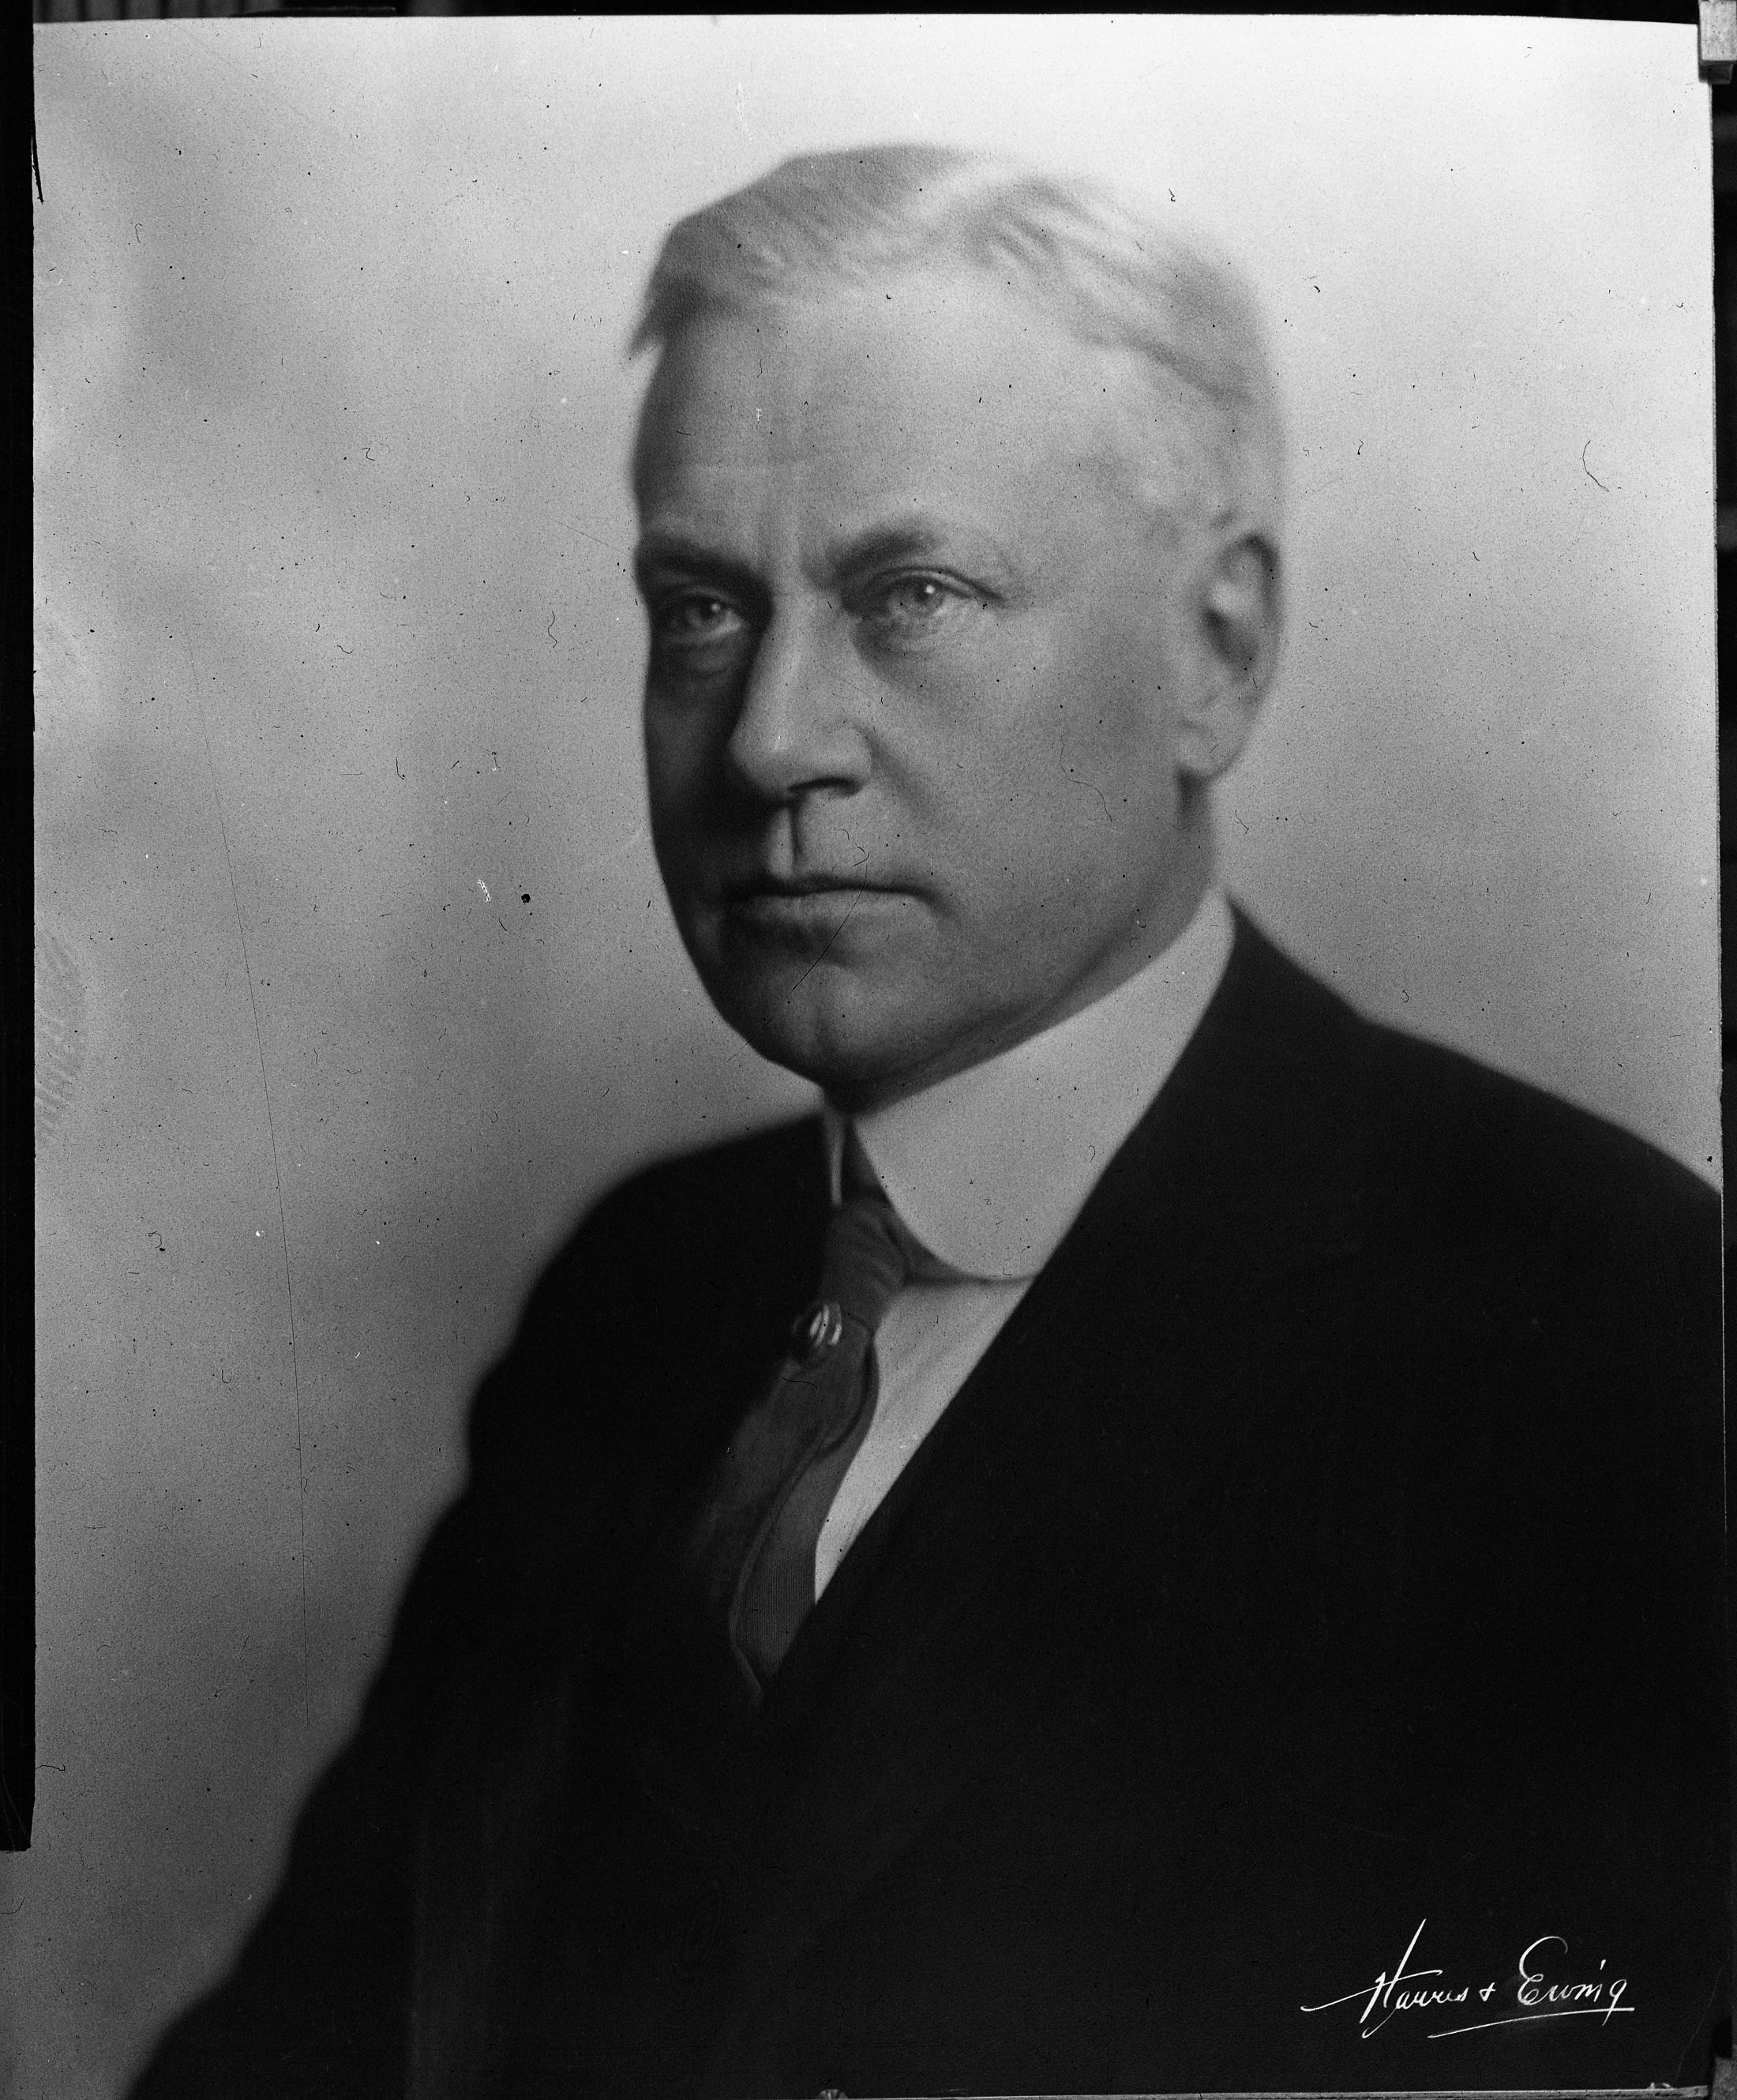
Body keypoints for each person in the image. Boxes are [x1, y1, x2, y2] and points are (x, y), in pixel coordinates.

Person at [131, 144, 1724, 2100]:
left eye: (912, 594)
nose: (769, 739)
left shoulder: (1601, 1332)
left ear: (1214, 652)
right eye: (699, 608)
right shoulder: (636, 1291)